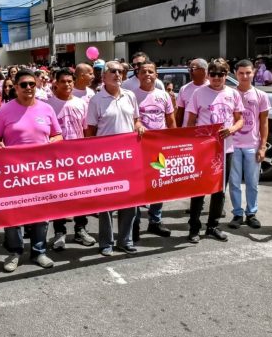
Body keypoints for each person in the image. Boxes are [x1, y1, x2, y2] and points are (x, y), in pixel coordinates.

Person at [0, 69, 63, 272]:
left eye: (32, 84)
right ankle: (14, 252)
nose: (29, 88)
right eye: (24, 85)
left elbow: (58, 135)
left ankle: (39, 251)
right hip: (14, 173)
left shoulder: (47, 109)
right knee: (14, 214)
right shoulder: (4, 111)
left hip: (41, 172)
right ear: (15, 88)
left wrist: (51, 142)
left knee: (41, 213)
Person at [86, 60, 144, 256]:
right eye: (113, 71)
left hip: (129, 158)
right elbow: (91, 132)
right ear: (103, 76)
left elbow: (136, 120)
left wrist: (139, 127)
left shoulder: (130, 96)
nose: (118, 74)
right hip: (106, 160)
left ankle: (125, 240)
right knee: (107, 203)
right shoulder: (96, 100)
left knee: (130, 200)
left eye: (120, 71)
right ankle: (106, 243)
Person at [185, 59, 244, 244]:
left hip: (225, 149)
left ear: (226, 76)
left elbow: (239, 119)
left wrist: (232, 130)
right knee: (199, 188)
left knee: (219, 190)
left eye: (221, 74)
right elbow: (191, 122)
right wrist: (193, 145)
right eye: (213, 74)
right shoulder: (198, 93)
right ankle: (194, 227)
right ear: (208, 75)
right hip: (204, 149)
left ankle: (213, 226)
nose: (216, 78)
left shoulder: (233, 94)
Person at [46, 69, 96, 250]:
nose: (67, 84)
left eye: (70, 81)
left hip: (78, 158)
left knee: (80, 195)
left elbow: (86, 130)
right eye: (63, 81)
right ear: (56, 83)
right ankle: (59, 232)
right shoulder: (47, 105)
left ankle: (80, 229)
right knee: (59, 197)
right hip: (56, 159)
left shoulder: (81, 104)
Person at [130, 60, 176, 238]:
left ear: (156, 75)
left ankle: (155, 221)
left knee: (158, 185)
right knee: (138, 187)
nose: (147, 75)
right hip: (139, 148)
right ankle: (134, 224)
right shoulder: (131, 95)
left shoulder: (163, 95)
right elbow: (133, 120)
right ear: (138, 75)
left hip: (160, 149)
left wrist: (173, 143)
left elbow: (171, 120)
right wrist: (139, 124)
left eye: (151, 72)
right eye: (144, 72)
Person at [228, 60, 270, 229]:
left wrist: (263, 146)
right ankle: (237, 213)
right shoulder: (230, 94)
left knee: (253, 182)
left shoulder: (261, 95)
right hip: (233, 145)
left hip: (252, 145)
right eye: (241, 73)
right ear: (235, 74)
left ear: (253, 73)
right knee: (234, 182)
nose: (244, 76)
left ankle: (251, 213)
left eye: (248, 73)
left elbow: (265, 122)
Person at [175, 58, 209, 128]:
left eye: (192, 69)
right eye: (189, 69)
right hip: (188, 132)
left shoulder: (212, 88)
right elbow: (180, 113)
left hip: (206, 133)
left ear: (203, 70)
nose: (189, 72)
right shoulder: (184, 89)